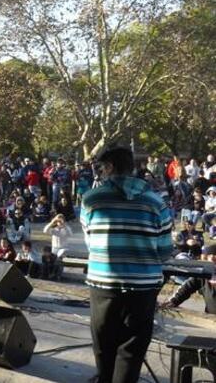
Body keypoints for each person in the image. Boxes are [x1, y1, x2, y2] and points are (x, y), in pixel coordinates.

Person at [80, 145, 173, 383]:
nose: (99, 172)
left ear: (110, 167)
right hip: (143, 288)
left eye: (101, 167)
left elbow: (91, 243)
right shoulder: (156, 202)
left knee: (104, 346)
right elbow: (164, 251)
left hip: (103, 285)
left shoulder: (91, 199)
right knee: (132, 350)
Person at [160, 244, 216, 314]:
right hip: (211, 319)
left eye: (214, 256)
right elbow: (187, 287)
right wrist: (173, 301)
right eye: (208, 257)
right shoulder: (204, 275)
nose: (211, 259)